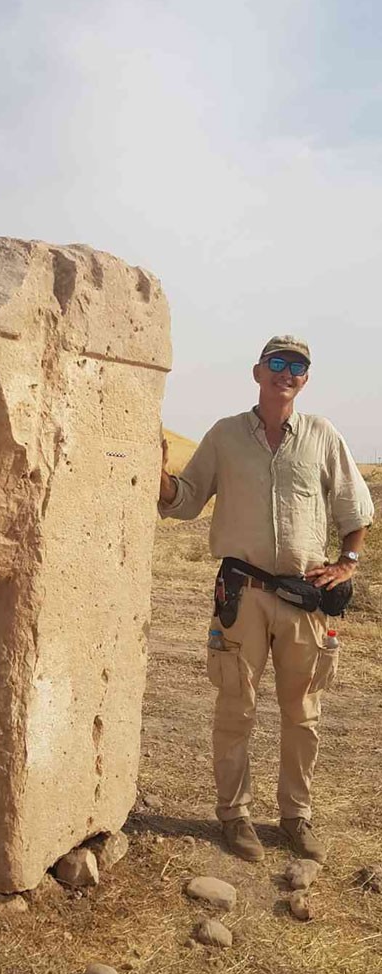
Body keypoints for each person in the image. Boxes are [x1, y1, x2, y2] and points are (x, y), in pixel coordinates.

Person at [158, 336, 374, 863]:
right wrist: (154, 471)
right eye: (277, 363)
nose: (286, 372)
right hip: (242, 595)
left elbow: (355, 511)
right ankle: (235, 816)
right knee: (237, 707)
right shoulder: (226, 436)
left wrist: (348, 563)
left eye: (297, 365)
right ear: (258, 372)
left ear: (306, 377)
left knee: (304, 713)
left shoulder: (323, 437)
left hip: (305, 598)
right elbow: (185, 502)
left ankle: (296, 817)